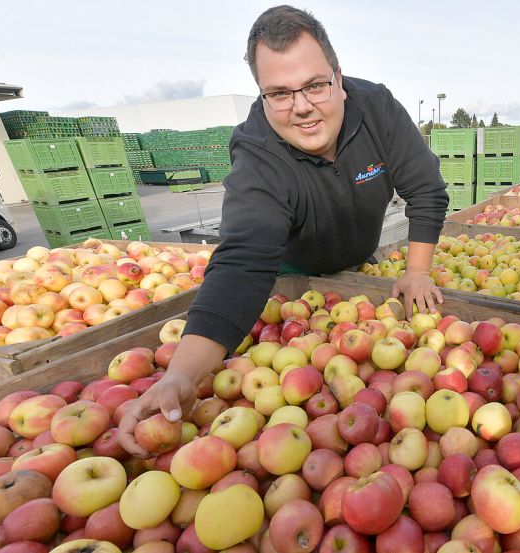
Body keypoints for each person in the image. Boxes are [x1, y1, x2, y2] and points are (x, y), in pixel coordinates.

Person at [119, 5, 448, 457]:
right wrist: (180, 376)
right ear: (261, 94)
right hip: (291, 287)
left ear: (338, 76)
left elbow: (426, 190)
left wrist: (416, 271)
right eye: (279, 93)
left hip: (361, 275)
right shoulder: (257, 152)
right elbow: (242, 261)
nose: (302, 107)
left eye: (315, 85)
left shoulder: (378, 110)